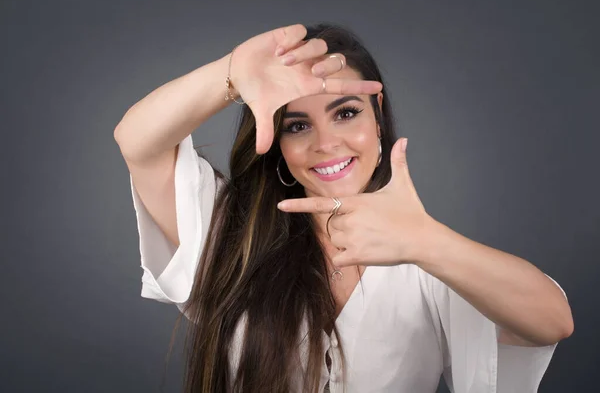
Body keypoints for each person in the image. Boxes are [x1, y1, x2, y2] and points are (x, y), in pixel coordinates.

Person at [114, 23, 574, 393]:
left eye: (346, 113)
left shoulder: (428, 262)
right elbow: (138, 141)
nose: (326, 143)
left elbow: (551, 321)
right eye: (298, 125)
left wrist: (427, 242)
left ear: (377, 116)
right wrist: (232, 73)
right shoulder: (233, 237)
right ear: (279, 146)